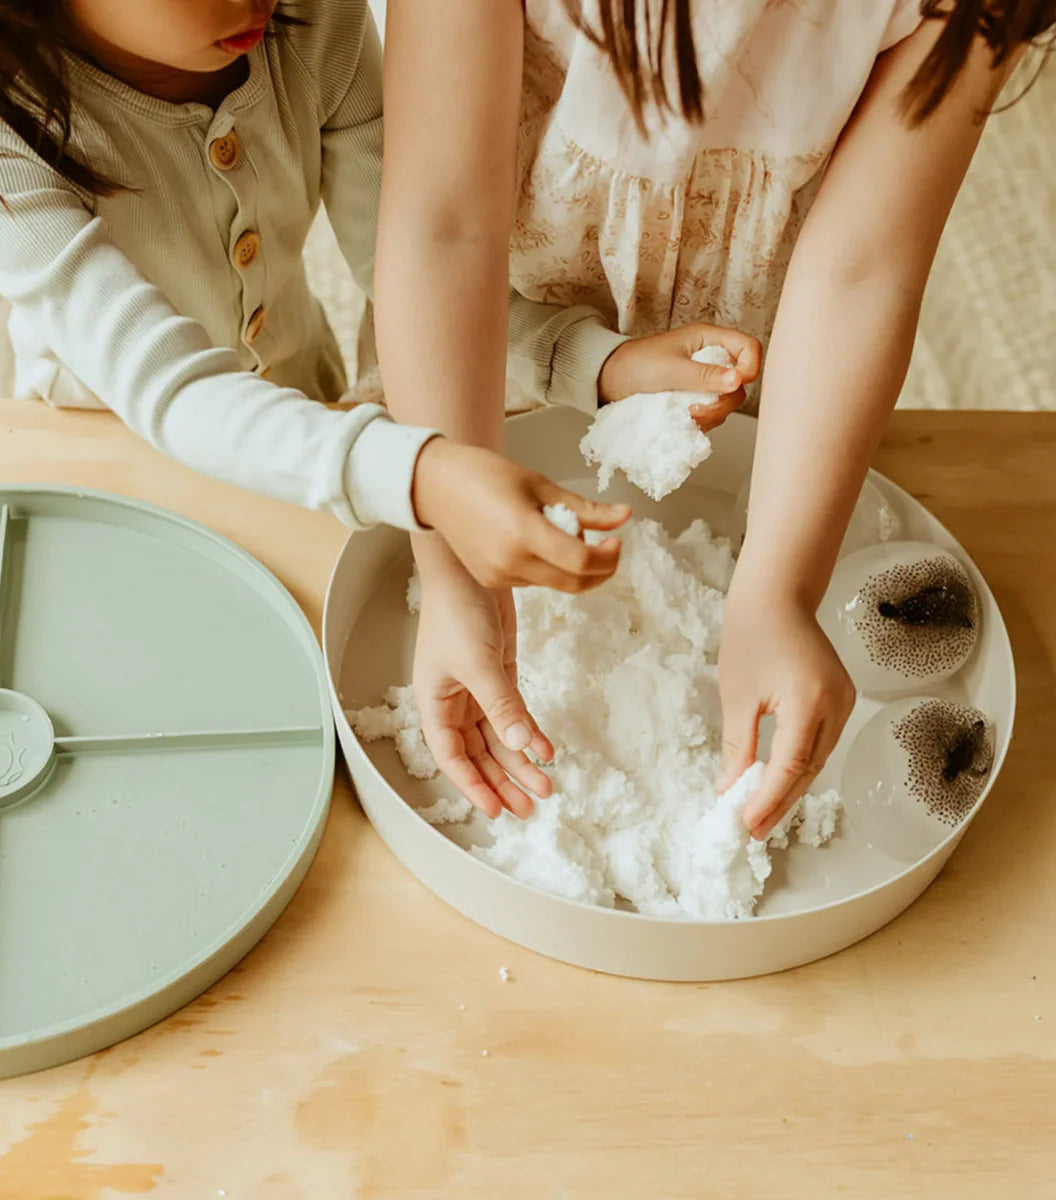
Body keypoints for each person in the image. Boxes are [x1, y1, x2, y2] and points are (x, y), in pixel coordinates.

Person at [375, 0, 1054, 829]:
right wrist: (451, 571)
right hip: (479, 344)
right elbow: (442, 229)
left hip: (767, 349)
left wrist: (778, 589)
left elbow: (862, 273)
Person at [0, 0, 747, 586]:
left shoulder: (308, 23)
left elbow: (417, 276)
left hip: (301, 389)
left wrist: (598, 364)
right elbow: (173, 393)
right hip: (109, 449)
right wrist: (421, 473)